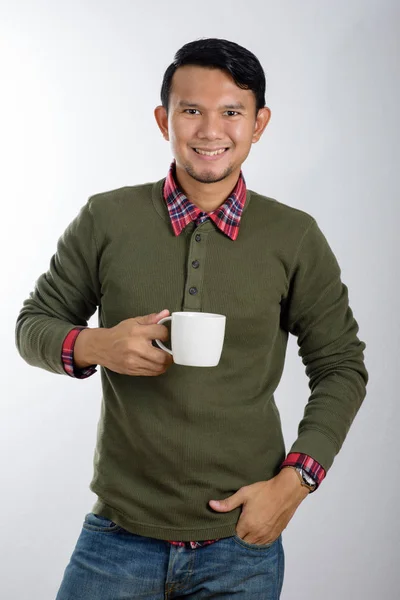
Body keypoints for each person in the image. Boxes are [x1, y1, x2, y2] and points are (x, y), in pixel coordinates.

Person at [15, 37, 368, 599]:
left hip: (240, 541)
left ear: (259, 124)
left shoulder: (294, 236)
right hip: (117, 536)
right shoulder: (107, 217)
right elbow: (33, 324)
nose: (211, 130)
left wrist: (296, 481)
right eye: (191, 110)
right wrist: (95, 345)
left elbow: (342, 366)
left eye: (231, 112)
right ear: (164, 119)